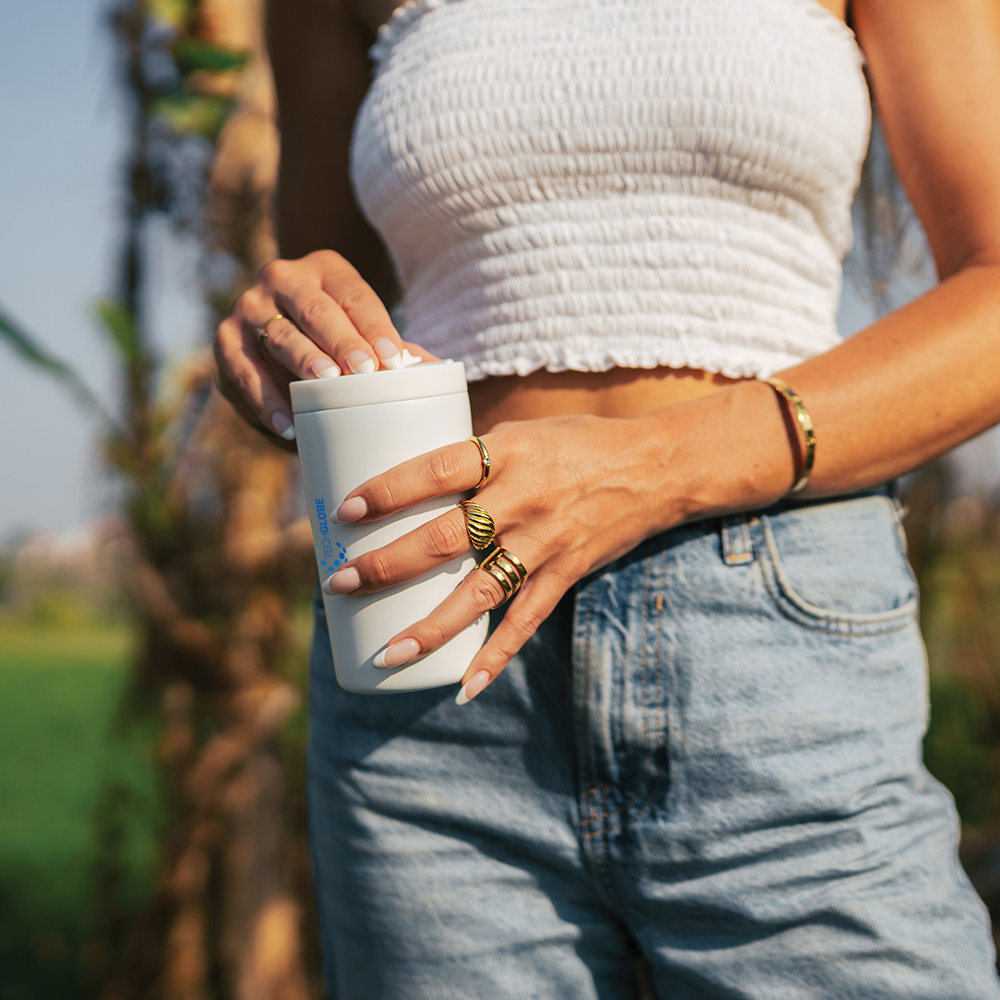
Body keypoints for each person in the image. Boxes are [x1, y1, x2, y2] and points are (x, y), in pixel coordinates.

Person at [214, 0, 1000, 996]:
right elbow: (325, 290)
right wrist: (276, 326)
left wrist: (657, 467)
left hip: (776, 645)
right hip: (430, 651)